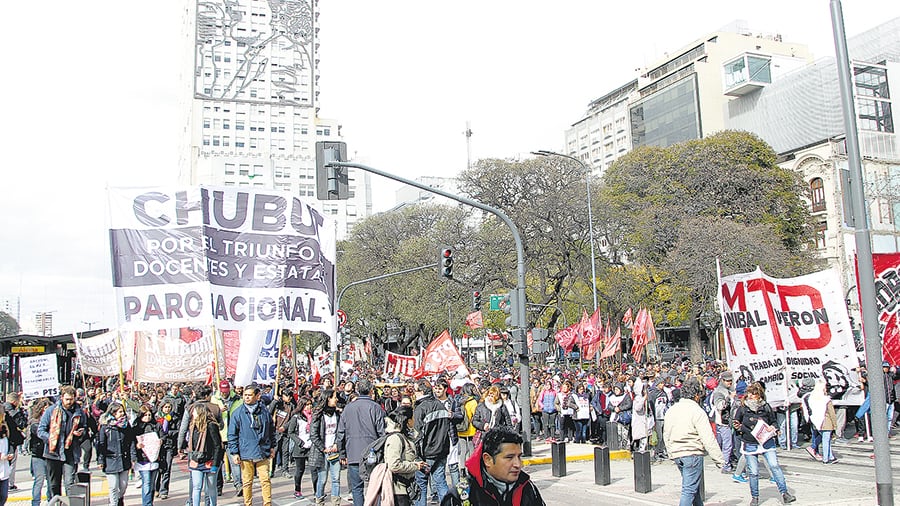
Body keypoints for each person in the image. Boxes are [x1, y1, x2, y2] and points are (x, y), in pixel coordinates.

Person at [440, 426, 545, 506]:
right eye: (509, 457)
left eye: (519, 456)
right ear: (488, 460)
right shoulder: (461, 496)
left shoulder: (527, 487)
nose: (518, 464)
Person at [663, 377, 725, 506]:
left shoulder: (672, 410)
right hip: (692, 453)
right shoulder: (697, 411)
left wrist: (670, 452)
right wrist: (719, 460)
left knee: (693, 488)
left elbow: (666, 434)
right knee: (689, 490)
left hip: (677, 453)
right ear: (696, 395)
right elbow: (708, 438)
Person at [733, 382, 796, 505]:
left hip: (766, 441)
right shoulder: (743, 408)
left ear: (759, 395)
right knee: (754, 472)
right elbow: (736, 423)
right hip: (750, 442)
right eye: (749, 393)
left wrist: (773, 428)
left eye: (754, 394)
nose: (750, 396)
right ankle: (755, 497)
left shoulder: (765, 406)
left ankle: (784, 493)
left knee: (774, 466)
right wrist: (741, 428)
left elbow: (773, 421)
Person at [337, 378, 385, 506]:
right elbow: (382, 432)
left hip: (354, 452)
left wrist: (342, 453)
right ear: (370, 391)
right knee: (376, 486)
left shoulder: (348, 408)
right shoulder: (376, 408)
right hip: (372, 452)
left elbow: (340, 432)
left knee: (357, 488)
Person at [227, 384, 275, 506]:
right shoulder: (238, 413)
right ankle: (248, 503)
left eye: (250, 395)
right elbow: (232, 434)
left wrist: (272, 447)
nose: (247, 398)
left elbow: (271, 430)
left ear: (257, 396)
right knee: (247, 482)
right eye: (245, 395)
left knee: (265, 480)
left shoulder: (264, 412)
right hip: (246, 452)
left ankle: (267, 503)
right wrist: (235, 452)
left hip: (262, 451)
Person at [37, 385, 87, 498]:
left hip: (71, 452)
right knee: (54, 485)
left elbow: (85, 429)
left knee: (69, 482)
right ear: (61, 398)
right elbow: (41, 430)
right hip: (53, 453)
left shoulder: (79, 412)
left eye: (71, 399)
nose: (69, 402)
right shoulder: (51, 411)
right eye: (67, 399)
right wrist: (53, 438)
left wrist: (80, 434)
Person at [413, 379, 452, 506]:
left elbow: (417, 433)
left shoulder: (421, 408)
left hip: (427, 452)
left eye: (416, 390)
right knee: (440, 481)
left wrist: (417, 455)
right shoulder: (440, 404)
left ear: (422, 391)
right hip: (441, 450)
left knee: (421, 485)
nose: (414, 393)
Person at [382, 405, 427, 506]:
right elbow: (394, 465)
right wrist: (415, 466)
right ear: (408, 421)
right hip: (397, 490)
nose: (415, 420)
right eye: (413, 418)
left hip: (406, 488)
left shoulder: (405, 436)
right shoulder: (395, 438)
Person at [97, 402, 136, 506]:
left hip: (124, 459)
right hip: (110, 460)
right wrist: (100, 460)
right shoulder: (105, 427)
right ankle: (113, 503)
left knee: (123, 485)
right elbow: (101, 444)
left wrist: (133, 456)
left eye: (122, 411)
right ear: (113, 413)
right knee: (113, 486)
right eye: (119, 412)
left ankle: (119, 499)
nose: (122, 414)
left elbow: (131, 441)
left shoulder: (126, 426)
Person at [187, 403, 222, 506]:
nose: (192, 413)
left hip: (210, 461)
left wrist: (215, 464)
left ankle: (212, 504)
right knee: (196, 486)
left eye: (194, 411)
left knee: (211, 487)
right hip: (196, 460)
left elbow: (217, 446)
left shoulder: (211, 425)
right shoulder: (193, 426)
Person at [310, 392, 341, 506]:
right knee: (322, 479)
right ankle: (319, 500)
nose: (336, 399)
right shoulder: (318, 415)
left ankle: (336, 502)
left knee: (336, 479)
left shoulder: (337, 415)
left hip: (335, 451)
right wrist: (323, 448)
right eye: (334, 397)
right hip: (322, 452)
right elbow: (313, 434)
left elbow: (340, 432)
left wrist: (336, 444)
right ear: (327, 399)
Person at [133, 404, 162, 506]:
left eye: (149, 415)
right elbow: (132, 442)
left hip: (154, 458)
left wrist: (160, 441)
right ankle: (147, 504)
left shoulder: (156, 425)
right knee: (147, 483)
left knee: (152, 484)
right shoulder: (136, 427)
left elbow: (163, 436)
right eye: (145, 415)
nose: (148, 417)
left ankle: (150, 502)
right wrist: (137, 446)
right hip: (143, 459)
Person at [286, 397, 314, 499]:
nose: (309, 406)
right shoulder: (296, 417)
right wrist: (299, 442)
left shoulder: (313, 416)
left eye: (310, 404)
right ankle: (297, 490)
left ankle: (317, 491)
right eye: (307, 404)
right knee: (299, 470)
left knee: (314, 470)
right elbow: (291, 432)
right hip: (300, 447)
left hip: (311, 446)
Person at [806, 380, 838, 464]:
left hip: (816, 422)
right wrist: (835, 425)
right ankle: (826, 459)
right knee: (826, 440)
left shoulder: (812, 399)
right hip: (826, 422)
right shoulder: (826, 400)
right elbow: (832, 413)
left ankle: (831, 456)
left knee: (825, 439)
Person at [28, 399, 52, 506]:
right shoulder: (35, 422)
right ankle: (35, 503)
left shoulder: (52, 420)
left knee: (51, 481)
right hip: (38, 454)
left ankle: (51, 501)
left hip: (50, 454)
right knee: (39, 480)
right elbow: (40, 434)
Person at [712, 371, 735, 473]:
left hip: (728, 420)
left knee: (724, 443)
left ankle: (726, 461)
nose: (729, 383)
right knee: (727, 444)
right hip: (723, 421)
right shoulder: (719, 392)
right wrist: (729, 398)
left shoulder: (730, 389)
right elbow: (720, 406)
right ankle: (725, 465)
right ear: (722, 380)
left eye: (731, 380)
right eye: (727, 381)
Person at [155, 400, 178, 500]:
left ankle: (164, 490)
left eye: (169, 407)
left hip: (169, 445)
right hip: (158, 446)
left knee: (167, 469)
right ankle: (156, 488)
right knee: (158, 468)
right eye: (166, 407)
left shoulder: (174, 418)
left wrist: (168, 434)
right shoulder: (157, 418)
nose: (167, 409)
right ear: (161, 408)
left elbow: (178, 430)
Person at [3, 393, 26, 492]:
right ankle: (9, 484)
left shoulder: (3, 409)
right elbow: (22, 424)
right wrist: (20, 411)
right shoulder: (13, 412)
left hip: (5, 440)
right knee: (11, 462)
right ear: (15, 402)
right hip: (11, 441)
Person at [0, 405, 14, 506]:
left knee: (3, 496)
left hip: (4, 469)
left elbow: (9, 443)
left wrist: (10, 453)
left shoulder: (4, 427)